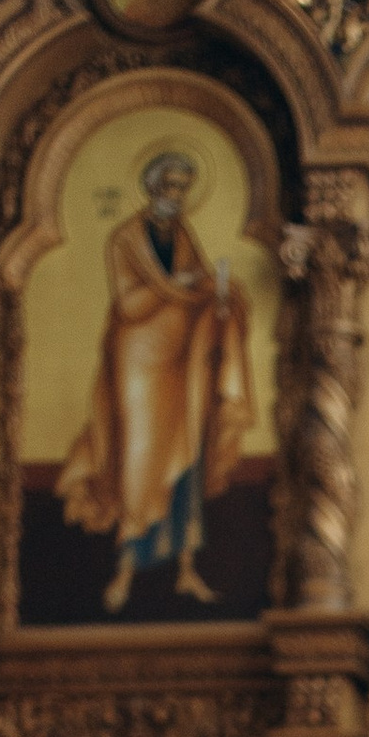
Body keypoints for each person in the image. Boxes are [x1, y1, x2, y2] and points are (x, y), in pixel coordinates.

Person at [56, 146, 255, 614]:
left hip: (183, 360)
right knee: (139, 460)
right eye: (171, 186)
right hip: (138, 361)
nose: (178, 196)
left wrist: (220, 295)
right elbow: (127, 305)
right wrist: (177, 288)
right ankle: (124, 570)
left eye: (184, 188)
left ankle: (185, 569)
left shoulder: (182, 233)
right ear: (151, 187)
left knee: (185, 459)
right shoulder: (124, 239)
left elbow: (200, 281)